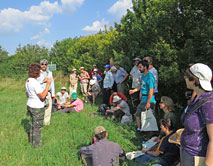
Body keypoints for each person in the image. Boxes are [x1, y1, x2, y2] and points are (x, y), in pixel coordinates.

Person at [181, 63, 213, 166]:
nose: (185, 78)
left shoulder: (208, 103)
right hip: (188, 153)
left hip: (197, 157)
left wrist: (208, 164)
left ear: (194, 80)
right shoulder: (197, 98)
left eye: (187, 76)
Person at [25, 63, 52, 148]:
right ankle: (37, 147)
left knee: (33, 125)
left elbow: (27, 94)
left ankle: (31, 141)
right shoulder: (35, 83)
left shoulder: (28, 81)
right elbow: (43, 95)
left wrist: (42, 81)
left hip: (30, 105)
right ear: (37, 72)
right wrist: (48, 84)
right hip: (37, 107)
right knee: (37, 128)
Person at [129, 60, 156, 131]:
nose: (139, 69)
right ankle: (139, 128)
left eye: (140, 67)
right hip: (143, 98)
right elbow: (140, 86)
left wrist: (148, 102)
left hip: (149, 99)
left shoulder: (150, 77)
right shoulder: (143, 76)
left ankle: (150, 132)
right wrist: (134, 90)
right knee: (138, 114)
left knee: (149, 117)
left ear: (145, 67)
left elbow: (151, 90)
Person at [37, 59, 55, 125]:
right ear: (40, 65)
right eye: (42, 64)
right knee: (40, 108)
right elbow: (34, 82)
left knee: (48, 108)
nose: (44, 65)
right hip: (41, 93)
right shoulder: (37, 72)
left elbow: (52, 83)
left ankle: (46, 123)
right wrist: (42, 81)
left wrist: (53, 94)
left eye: (45, 64)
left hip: (48, 92)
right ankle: (39, 122)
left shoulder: (50, 72)